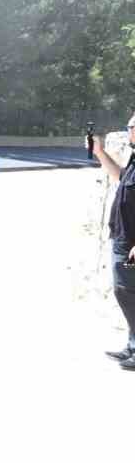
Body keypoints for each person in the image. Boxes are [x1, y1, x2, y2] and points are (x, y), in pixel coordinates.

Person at [90, 115, 135, 369]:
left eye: (131, 128)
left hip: (131, 243)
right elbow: (120, 178)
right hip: (121, 237)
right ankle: (132, 345)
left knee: (126, 292)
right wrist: (99, 152)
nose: (129, 132)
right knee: (127, 292)